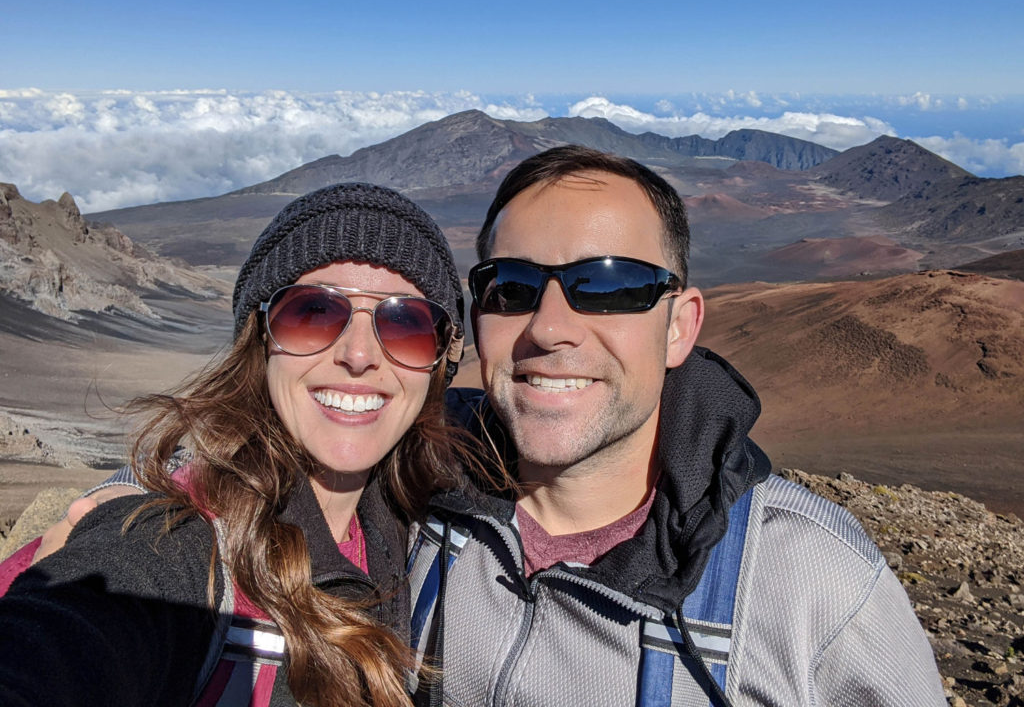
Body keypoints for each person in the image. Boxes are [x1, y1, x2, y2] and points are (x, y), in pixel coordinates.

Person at [17, 147, 947, 706]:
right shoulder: (411, 515)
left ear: (682, 323)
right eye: (511, 289)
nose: (550, 329)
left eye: (611, 286)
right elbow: (78, 634)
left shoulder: (810, 584)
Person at [0, 182, 476, 707]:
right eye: (313, 312)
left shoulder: (412, 523)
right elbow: (62, 646)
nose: (359, 354)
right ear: (260, 337)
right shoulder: (175, 543)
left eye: (405, 322)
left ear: (438, 366)